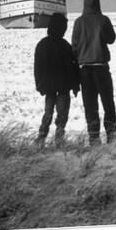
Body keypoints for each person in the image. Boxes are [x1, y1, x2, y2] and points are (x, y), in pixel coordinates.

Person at [72, 0, 116, 145]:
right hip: (101, 68)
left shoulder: (78, 22)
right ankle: (111, 134)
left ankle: (94, 137)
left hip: (84, 69)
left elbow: (74, 47)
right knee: (108, 103)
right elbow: (111, 39)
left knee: (90, 105)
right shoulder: (103, 20)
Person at [34, 13, 80, 148]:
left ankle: (41, 137)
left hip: (48, 86)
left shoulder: (42, 45)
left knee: (48, 112)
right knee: (62, 115)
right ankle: (59, 140)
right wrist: (75, 85)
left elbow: (37, 68)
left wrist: (39, 84)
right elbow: (73, 68)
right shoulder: (65, 46)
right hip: (63, 87)